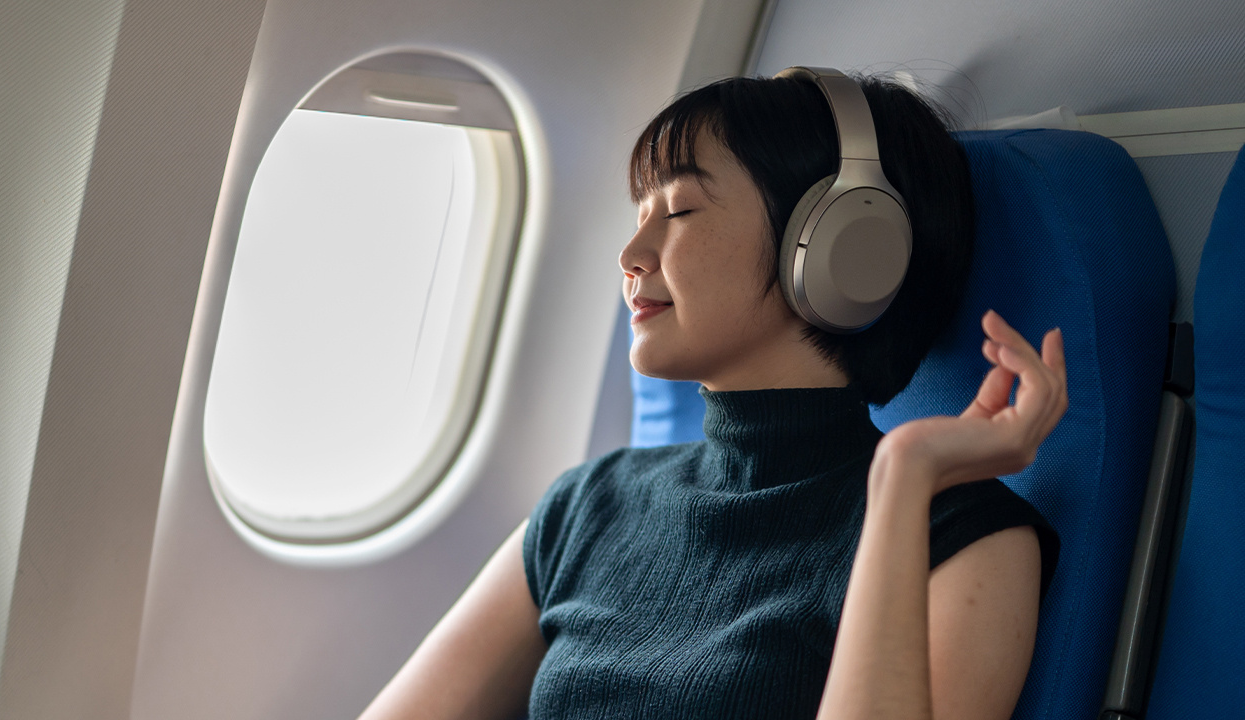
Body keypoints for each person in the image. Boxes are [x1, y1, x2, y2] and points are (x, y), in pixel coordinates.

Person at [357, 73, 1063, 720]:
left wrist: (903, 479)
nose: (632, 252)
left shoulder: (961, 534)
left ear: (843, 244)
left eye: (681, 208)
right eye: (640, 211)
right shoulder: (590, 505)